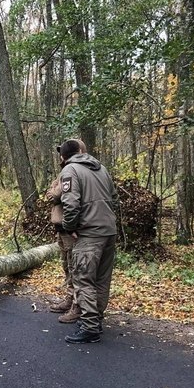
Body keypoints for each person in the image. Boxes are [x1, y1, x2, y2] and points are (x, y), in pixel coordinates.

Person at [57, 139, 118, 344]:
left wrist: (70, 226)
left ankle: (90, 327)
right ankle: (96, 318)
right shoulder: (102, 169)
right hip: (109, 231)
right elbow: (114, 198)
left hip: (89, 234)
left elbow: (71, 203)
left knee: (83, 278)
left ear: (63, 156)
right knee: (101, 279)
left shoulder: (70, 170)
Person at [46, 138, 87, 324]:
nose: (61, 156)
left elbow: (55, 195)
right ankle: (69, 299)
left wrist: (55, 192)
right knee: (66, 266)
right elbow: (49, 194)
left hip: (70, 229)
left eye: (63, 152)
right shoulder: (63, 172)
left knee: (74, 267)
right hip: (60, 228)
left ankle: (76, 305)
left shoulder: (72, 172)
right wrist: (55, 191)